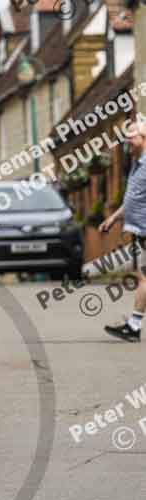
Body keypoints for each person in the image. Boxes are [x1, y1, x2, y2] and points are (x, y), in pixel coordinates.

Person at [100, 120, 146, 342]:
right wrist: (113, 218)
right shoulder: (138, 163)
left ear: (144, 138)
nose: (128, 141)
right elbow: (132, 199)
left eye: (132, 136)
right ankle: (134, 326)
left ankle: (134, 327)